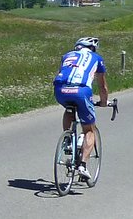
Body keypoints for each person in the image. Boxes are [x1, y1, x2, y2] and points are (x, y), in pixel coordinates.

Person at [53, 36, 108, 179]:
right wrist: (103, 101)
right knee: (89, 130)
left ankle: (68, 139)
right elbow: (102, 86)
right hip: (81, 91)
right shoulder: (96, 58)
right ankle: (82, 165)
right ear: (92, 48)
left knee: (69, 108)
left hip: (60, 90)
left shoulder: (67, 56)